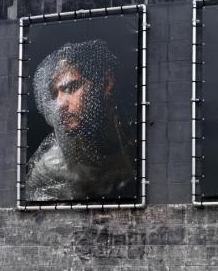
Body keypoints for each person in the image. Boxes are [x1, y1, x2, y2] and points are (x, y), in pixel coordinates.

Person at [26, 39, 137, 202]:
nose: (59, 105)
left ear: (106, 82)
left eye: (70, 88)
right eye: (54, 95)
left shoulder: (141, 143)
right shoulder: (50, 169)